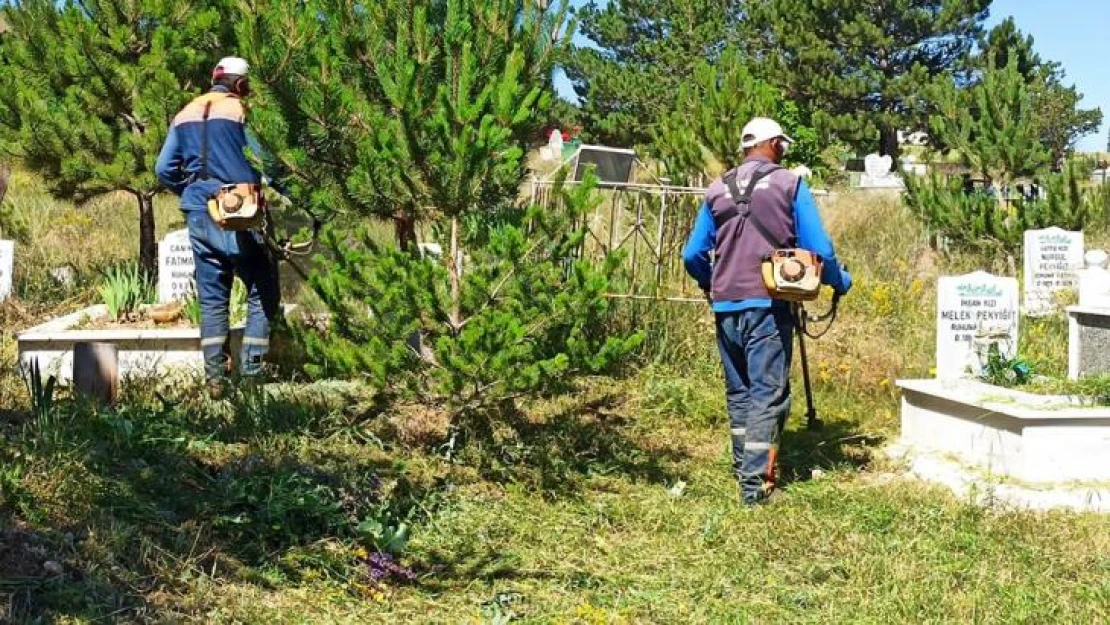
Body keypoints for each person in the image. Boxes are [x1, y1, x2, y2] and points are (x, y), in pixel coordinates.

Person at [682, 117, 852, 505]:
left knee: (739, 392)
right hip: (769, 303)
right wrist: (839, 281)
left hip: (725, 304)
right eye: (783, 146)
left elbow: (692, 254)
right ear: (774, 144)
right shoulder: (790, 184)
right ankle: (755, 489)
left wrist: (711, 282)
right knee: (767, 394)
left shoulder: (716, 189)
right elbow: (820, 252)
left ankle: (744, 468)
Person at [155, 56, 283, 399]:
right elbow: (268, 163)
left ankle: (215, 379)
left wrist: (195, 194)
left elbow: (164, 169)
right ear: (240, 85)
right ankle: (252, 374)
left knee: (212, 299)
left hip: (198, 212)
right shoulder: (243, 112)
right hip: (242, 212)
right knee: (262, 287)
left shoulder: (184, 114)